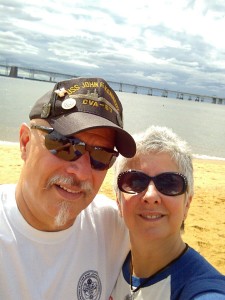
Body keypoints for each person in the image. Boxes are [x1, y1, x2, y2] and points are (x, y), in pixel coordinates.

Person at [0, 77, 136, 300]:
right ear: (25, 142)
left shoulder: (113, 227)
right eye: (65, 145)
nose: (81, 172)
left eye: (101, 155)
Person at [110, 126, 225, 300]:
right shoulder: (109, 261)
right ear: (118, 200)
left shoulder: (202, 290)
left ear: (187, 203)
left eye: (169, 183)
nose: (150, 196)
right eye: (135, 181)